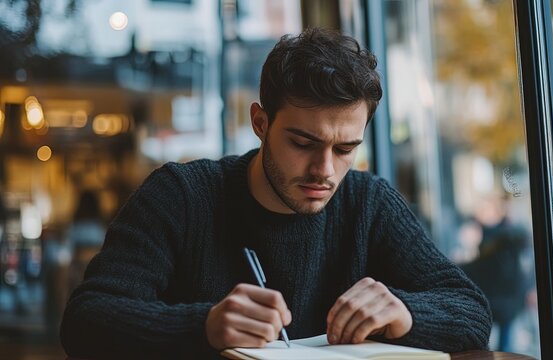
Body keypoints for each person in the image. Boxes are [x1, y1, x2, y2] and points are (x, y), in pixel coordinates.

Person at [60, 28, 491, 359]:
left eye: (344, 149)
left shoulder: (368, 202)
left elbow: (472, 310)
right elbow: (85, 321)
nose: (324, 171)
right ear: (261, 123)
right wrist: (204, 326)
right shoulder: (182, 196)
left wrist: (406, 313)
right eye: (303, 144)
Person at [460, 196, 529, 352]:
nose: (483, 214)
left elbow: (485, 268)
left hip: (502, 298)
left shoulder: (505, 237)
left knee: (503, 345)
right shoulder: (490, 235)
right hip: (501, 299)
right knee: (502, 344)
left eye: (486, 210)